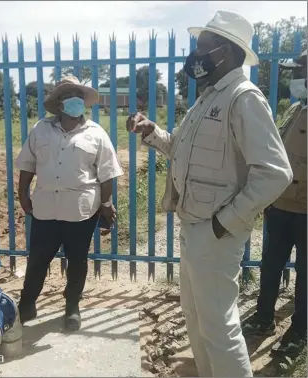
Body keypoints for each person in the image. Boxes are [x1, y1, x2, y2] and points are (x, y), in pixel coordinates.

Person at [126, 10, 293, 377]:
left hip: (215, 232)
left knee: (219, 326)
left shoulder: (244, 98)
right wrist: (154, 134)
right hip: (194, 225)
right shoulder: (208, 98)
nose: (195, 55)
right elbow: (184, 152)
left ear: (228, 52)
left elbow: (276, 173)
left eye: (204, 47)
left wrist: (225, 223)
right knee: (196, 317)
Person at [16, 76, 123, 330]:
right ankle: (27, 303)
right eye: (68, 95)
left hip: (81, 211)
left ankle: (72, 306)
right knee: (38, 259)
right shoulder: (40, 129)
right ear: (59, 103)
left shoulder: (96, 133)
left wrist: (106, 204)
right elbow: (27, 165)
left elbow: (107, 173)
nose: (74, 99)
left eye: (78, 95)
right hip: (45, 208)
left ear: (83, 102)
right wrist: (23, 194)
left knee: (77, 261)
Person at [242, 50, 307, 358]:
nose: (296, 78)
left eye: (301, 71)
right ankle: (264, 318)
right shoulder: (295, 109)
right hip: (281, 208)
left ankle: (300, 332)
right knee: (270, 267)